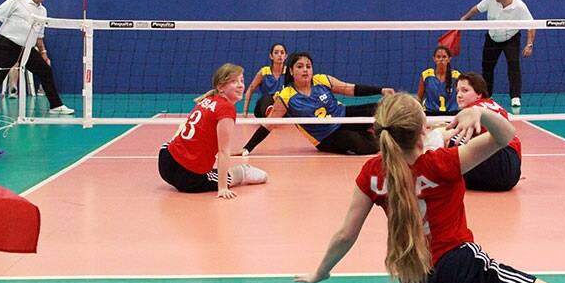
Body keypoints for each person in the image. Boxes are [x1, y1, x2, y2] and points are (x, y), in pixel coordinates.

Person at [295, 93, 565, 283]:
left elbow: (346, 235)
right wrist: (481, 113)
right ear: (421, 130)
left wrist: (320, 271)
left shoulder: (372, 173)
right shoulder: (443, 163)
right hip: (461, 271)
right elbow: (506, 136)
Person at [242, 51, 394, 156]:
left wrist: (381, 90)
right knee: (355, 141)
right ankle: (380, 139)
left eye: (308, 66)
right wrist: (247, 148)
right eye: (300, 67)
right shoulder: (286, 96)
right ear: (291, 71)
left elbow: (351, 89)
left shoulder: (322, 80)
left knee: (381, 109)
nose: (305, 70)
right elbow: (268, 125)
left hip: (342, 116)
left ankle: (384, 132)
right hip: (326, 136)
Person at [158, 63, 267, 198]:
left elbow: (183, 125)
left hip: (165, 162)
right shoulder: (226, 109)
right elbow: (223, 151)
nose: (240, 85)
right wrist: (223, 188)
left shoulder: (208, 99)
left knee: (173, 143)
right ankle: (243, 170)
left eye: (242, 80)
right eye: (234, 81)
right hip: (189, 177)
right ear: (220, 87)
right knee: (261, 176)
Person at [0, 0, 74, 114]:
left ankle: (56, 106)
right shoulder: (17, 0)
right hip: (6, 45)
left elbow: (39, 36)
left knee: (45, 71)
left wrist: (43, 52)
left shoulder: (43, 11)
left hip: (26, 49)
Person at [435, 72, 521, 191]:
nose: (459, 95)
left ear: (479, 94)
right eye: (457, 91)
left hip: (499, 162)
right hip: (513, 172)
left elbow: (450, 135)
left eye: (465, 90)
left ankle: (424, 174)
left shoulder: (472, 109)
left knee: (441, 136)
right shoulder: (494, 105)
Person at [460, 0, 535, 108]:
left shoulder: (520, 7)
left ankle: (515, 97)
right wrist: (465, 18)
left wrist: (529, 45)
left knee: (513, 66)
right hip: (492, 37)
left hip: (511, 38)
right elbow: (477, 9)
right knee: (487, 67)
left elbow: (532, 25)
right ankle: (487, 95)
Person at [242, 42, 287, 117]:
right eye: (276, 52)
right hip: (263, 107)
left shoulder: (289, 72)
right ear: (271, 56)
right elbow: (250, 89)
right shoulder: (264, 72)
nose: (279, 55)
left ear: (285, 56)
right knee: (266, 97)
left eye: (282, 53)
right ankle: (269, 114)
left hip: (281, 107)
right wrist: (245, 112)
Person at [416, 46, 460, 116]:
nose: (441, 59)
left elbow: (461, 96)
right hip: (430, 113)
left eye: (444, 57)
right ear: (434, 59)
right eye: (438, 57)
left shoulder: (456, 76)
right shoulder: (426, 75)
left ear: (449, 59)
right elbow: (419, 98)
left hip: (452, 113)